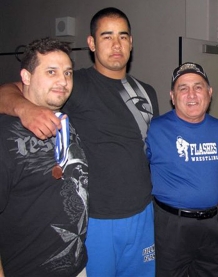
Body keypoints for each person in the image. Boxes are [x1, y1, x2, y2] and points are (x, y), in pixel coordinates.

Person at [0, 7, 159, 277]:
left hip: (142, 214)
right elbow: (8, 90)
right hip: (95, 220)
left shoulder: (148, 92)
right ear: (91, 43)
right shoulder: (74, 84)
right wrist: (24, 109)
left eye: (123, 36)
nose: (116, 44)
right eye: (106, 36)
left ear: (131, 42)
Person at [0, 38, 89, 276]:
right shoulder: (5, 135)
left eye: (68, 73)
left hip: (76, 265)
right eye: (51, 72)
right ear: (26, 78)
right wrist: (23, 108)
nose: (63, 81)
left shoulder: (65, 119)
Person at [146, 62, 218, 277]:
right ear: (172, 95)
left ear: (209, 92)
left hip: (213, 226)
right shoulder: (155, 129)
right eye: (183, 88)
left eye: (198, 87)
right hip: (171, 227)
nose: (191, 94)